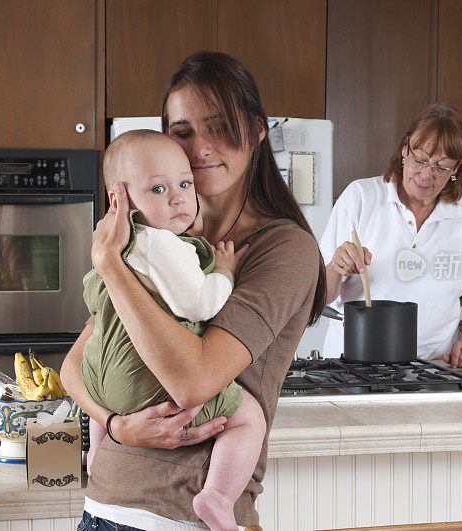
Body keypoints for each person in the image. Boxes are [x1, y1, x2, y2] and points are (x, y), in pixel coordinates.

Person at [60, 50, 326, 531]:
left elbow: (193, 382)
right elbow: (76, 364)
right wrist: (117, 425)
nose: (200, 147)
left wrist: (110, 267)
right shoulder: (159, 238)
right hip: (103, 507)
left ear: (258, 131)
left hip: (182, 518)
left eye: (220, 126)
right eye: (183, 132)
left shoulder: (283, 249)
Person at [81, 128, 266, 531]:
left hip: (101, 382)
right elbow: (199, 302)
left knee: (101, 365)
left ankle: (95, 449)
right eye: (159, 190)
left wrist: (111, 428)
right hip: (147, 382)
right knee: (249, 416)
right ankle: (217, 497)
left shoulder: (116, 247)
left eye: (184, 184)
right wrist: (224, 271)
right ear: (122, 199)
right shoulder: (164, 245)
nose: (179, 197)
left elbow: (86, 342)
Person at [320, 103, 462, 368]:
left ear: (458, 169)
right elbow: (319, 296)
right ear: (405, 148)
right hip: (351, 363)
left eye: (442, 166)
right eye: (420, 159)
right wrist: (337, 267)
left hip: (434, 366)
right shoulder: (360, 197)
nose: (427, 174)